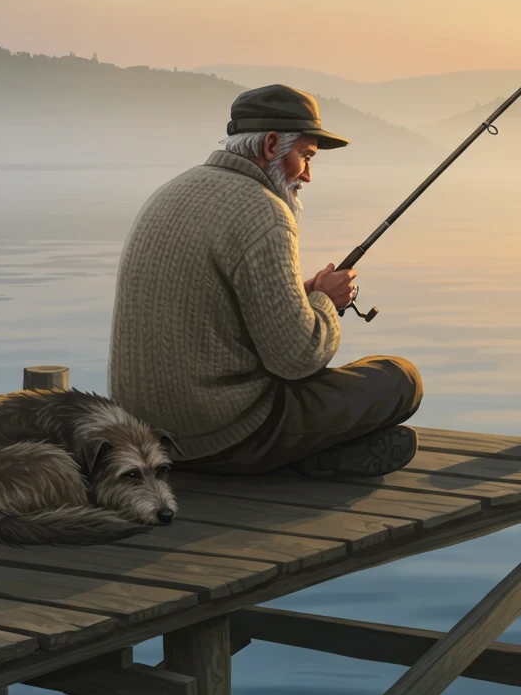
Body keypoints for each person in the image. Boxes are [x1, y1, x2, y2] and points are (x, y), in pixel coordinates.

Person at [108, 83, 422, 477]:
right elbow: (297, 361)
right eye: (306, 156)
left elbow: (215, 312)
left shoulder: (170, 191)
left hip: (142, 435)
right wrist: (326, 302)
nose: (308, 174)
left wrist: (303, 296)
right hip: (221, 436)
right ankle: (297, 460)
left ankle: (321, 457)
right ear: (272, 145)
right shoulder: (265, 211)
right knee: (400, 378)